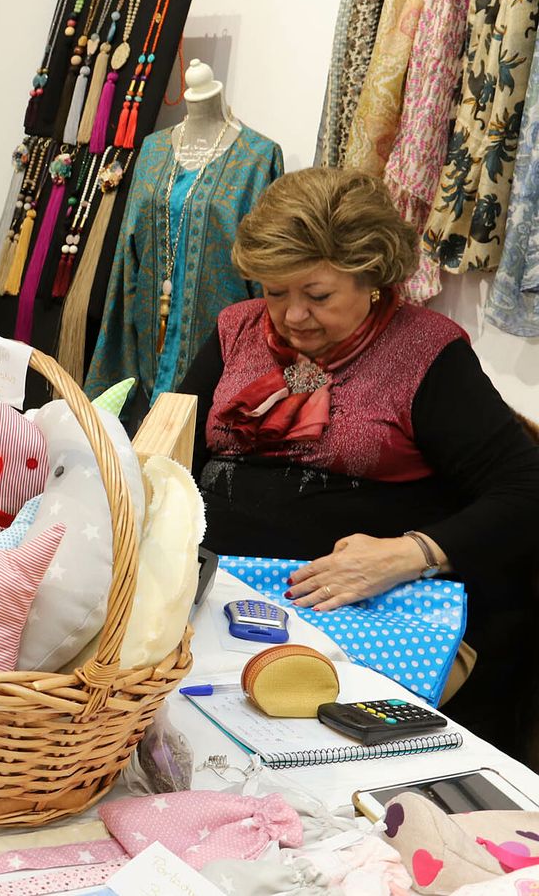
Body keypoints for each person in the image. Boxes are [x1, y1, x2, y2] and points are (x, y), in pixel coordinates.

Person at [176, 167, 539, 765]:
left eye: (317, 296)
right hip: (222, 599)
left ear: (372, 278)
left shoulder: (426, 353)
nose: (291, 316)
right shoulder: (237, 329)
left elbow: (526, 490)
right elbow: (173, 451)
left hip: (352, 620)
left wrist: (410, 554)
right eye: (273, 290)